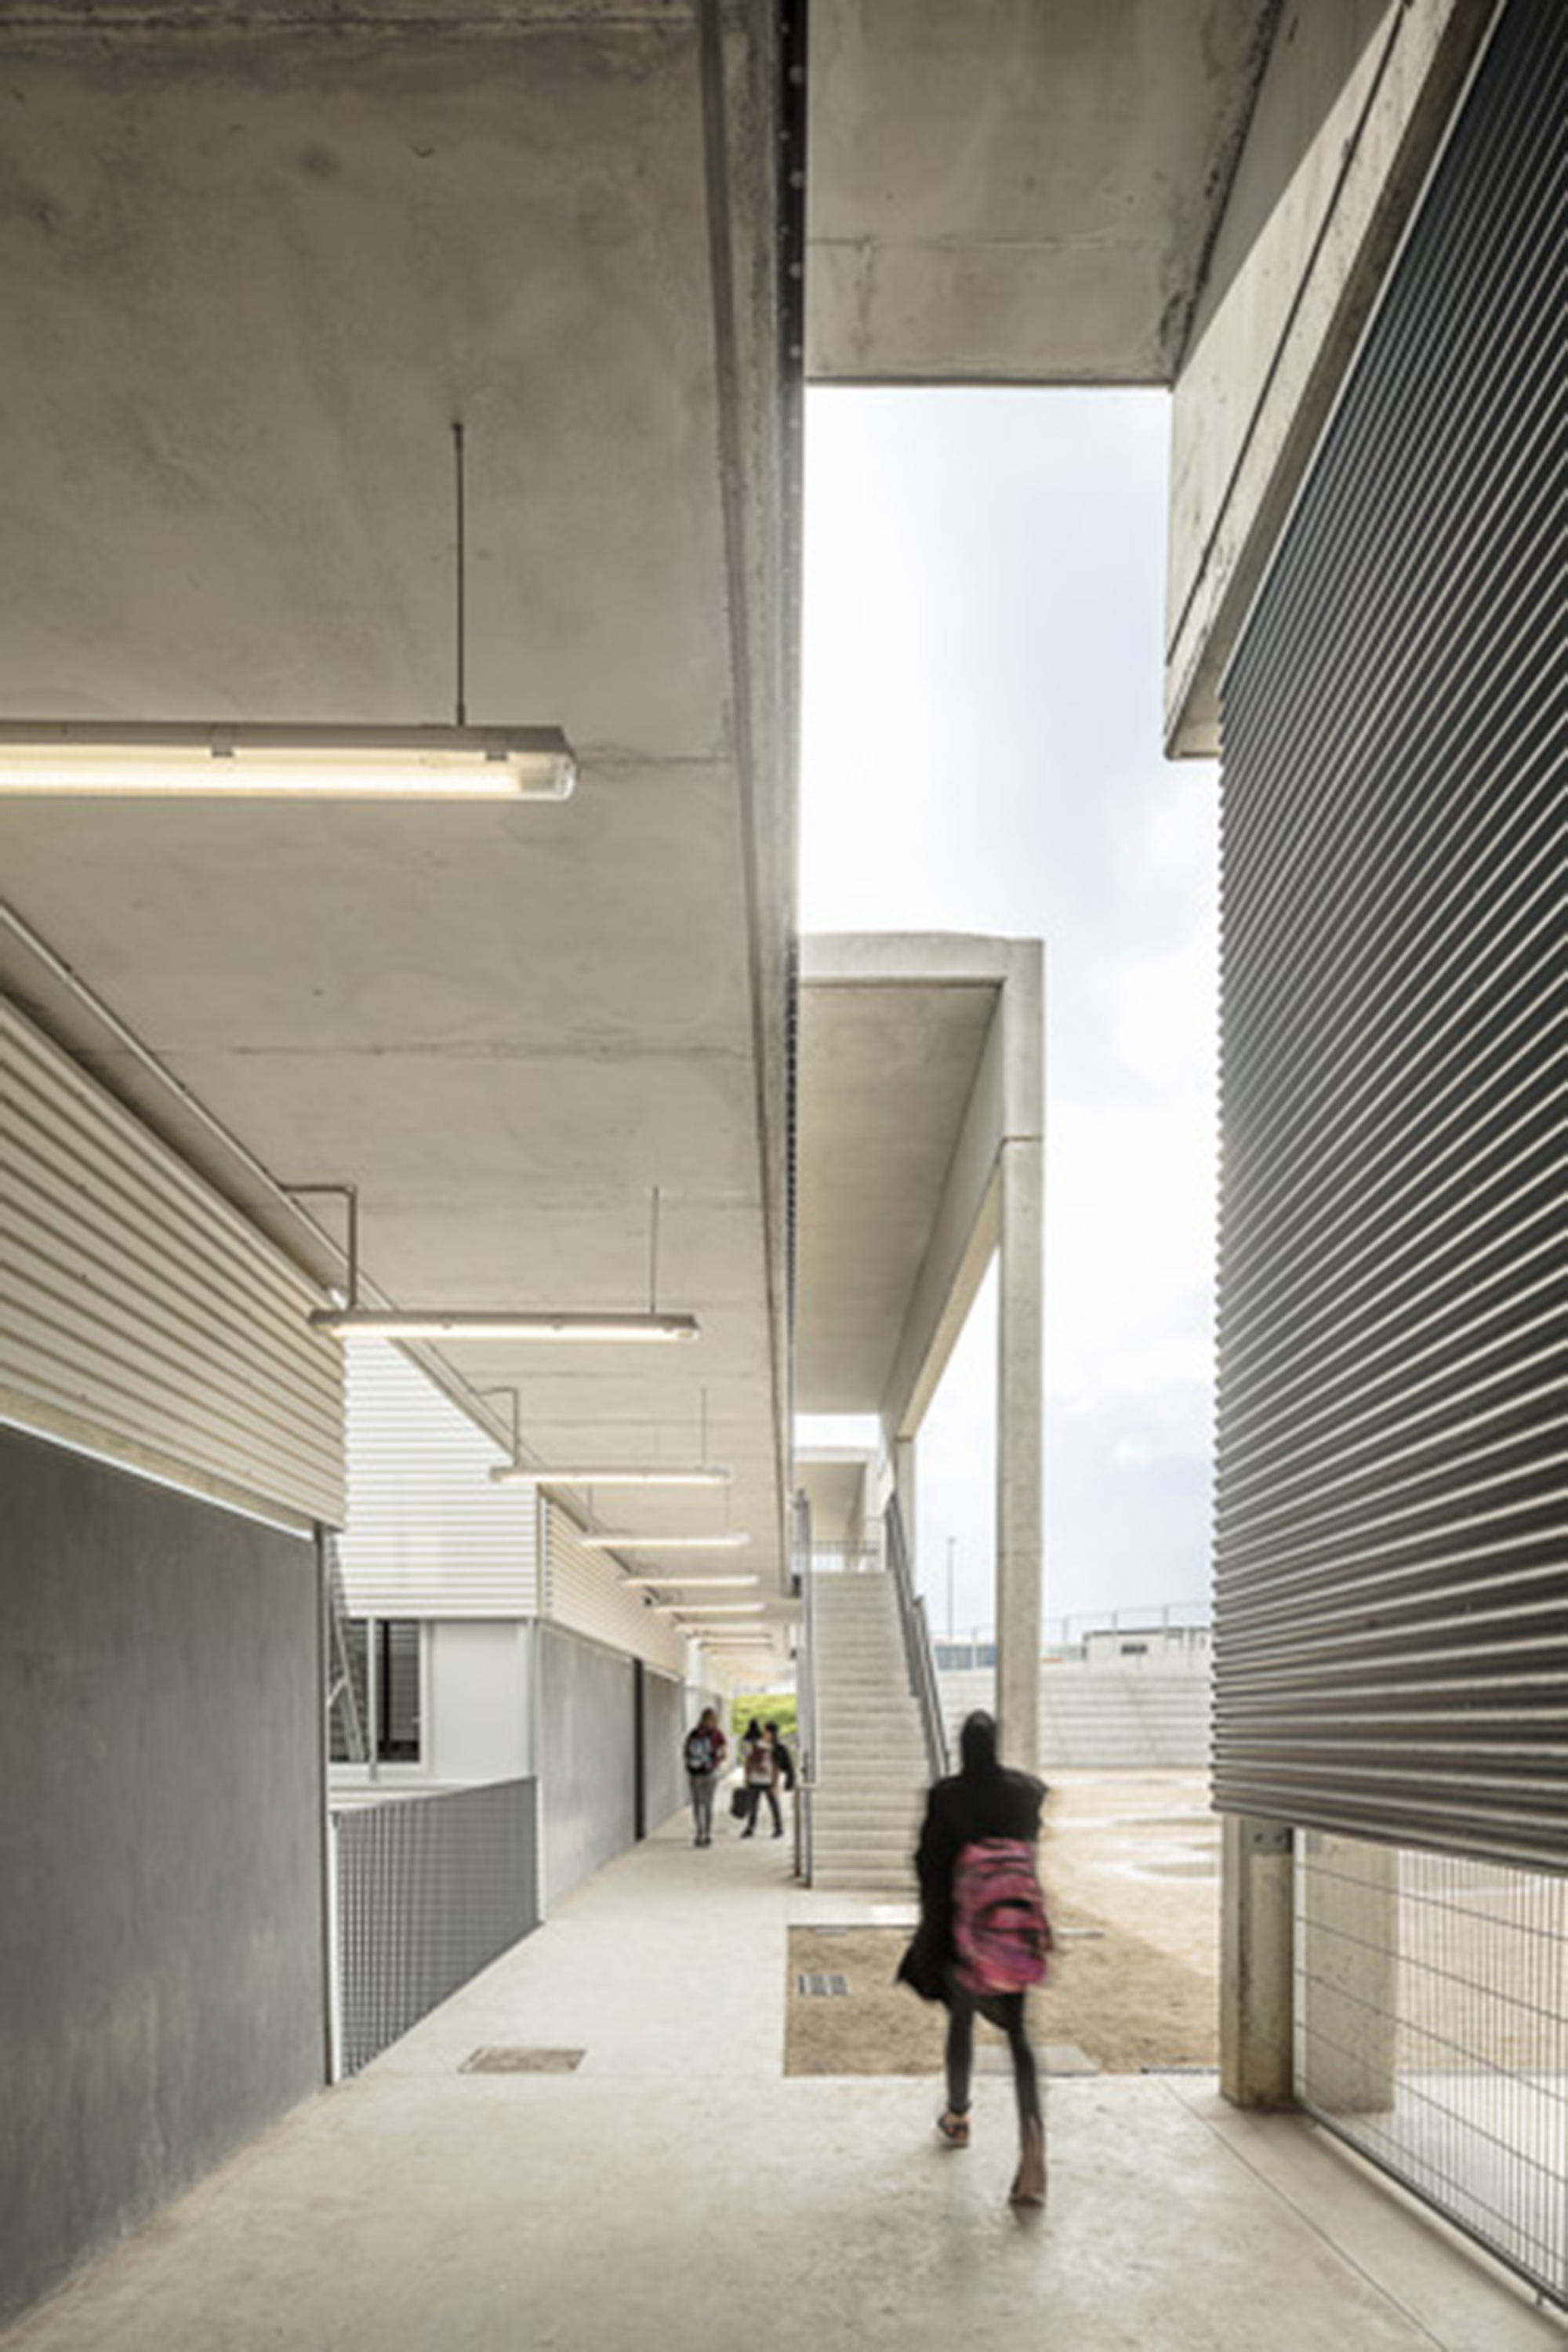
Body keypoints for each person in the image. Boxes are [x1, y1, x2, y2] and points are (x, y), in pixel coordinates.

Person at [897, 1710, 1048, 2206]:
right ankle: (1032, 2137)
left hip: (964, 1936)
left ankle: (958, 2117)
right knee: (1020, 2038)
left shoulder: (947, 1796)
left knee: (961, 2023)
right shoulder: (1026, 1793)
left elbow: (927, 1867)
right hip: (1013, 1935)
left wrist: (931, 1933)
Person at [682, 1707, 728, 1846]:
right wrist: (716, 1761)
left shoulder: (694, 1733)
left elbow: (685, 1753)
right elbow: (724, 1754)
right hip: (710, 1772)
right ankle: (708, 1834)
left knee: (698, 1803)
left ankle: (699, 1832)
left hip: (695, 1774)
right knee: (708, 1803)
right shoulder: (717, 1734)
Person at [739, 1716, 782, 1839]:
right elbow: (748, 1760)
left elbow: (776, 1766)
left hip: (768, 1780)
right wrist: (746, 1776)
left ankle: (778, 1828)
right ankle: (750, 1828)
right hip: (755, 1779)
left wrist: (775, 1783)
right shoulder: (756, 1744)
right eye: (765, 1731)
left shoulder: (776, 1748)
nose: (765, 1734)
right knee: (753, 1806)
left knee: (773, 1805)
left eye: (768, 1732)